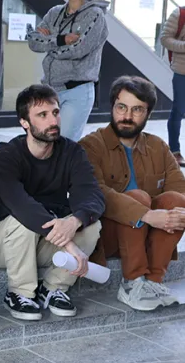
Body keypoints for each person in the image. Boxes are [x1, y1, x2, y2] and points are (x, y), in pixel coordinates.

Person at [0, 85, 105, 321]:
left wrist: (75, 220)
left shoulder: (72, 152)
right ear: (24, 123)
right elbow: (21, 206)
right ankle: (20, 292)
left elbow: (92, 194)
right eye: (42, 115)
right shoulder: (6, 156)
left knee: (91, 225)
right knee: (23, 220)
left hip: (40, 242)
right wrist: (68, 244)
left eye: (56, 112)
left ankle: (53, 288)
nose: (53, 120)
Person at [79, 76, 185, 311]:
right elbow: (98, 192)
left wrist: (179, 213)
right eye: (121, 107)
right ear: (112, 107)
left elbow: (180, 187)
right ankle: (131, 283)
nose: (127, 116)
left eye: (137, 109)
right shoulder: (91, 145)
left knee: (176, 201)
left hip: (151, 235)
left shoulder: (158, 146)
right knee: (137, 197)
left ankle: (153, 282)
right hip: (109, 236)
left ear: (148, 113)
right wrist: (145, 215)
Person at [26, 0, 108, 142]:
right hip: (49, 89)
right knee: (42, 141)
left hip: (76, 90)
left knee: (64, 144)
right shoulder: (55, 12)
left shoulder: (95, 15)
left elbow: (79, 49)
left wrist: (48, 44)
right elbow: (33, 42)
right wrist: (60, 39)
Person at [161, 5, 185, 166]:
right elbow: (164, 39)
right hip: (182, 72)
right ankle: (174, 151)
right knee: (179, 110)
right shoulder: (180, 13)